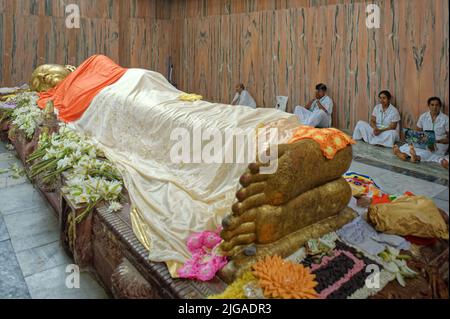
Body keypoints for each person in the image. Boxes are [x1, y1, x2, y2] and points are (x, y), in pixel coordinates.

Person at [393, 97, 449, 165]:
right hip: (425, 141)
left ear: (440, 106)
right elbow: (418, 132)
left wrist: (437, 141)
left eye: (437, 105)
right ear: (428, 106)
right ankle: (403, 154)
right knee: (411, 146)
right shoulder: (423, 116)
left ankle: (415, 157)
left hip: (440, 143)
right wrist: (414, 138)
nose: (434, 107)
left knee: (430, 152)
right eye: (432, 105)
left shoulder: (446, 119)